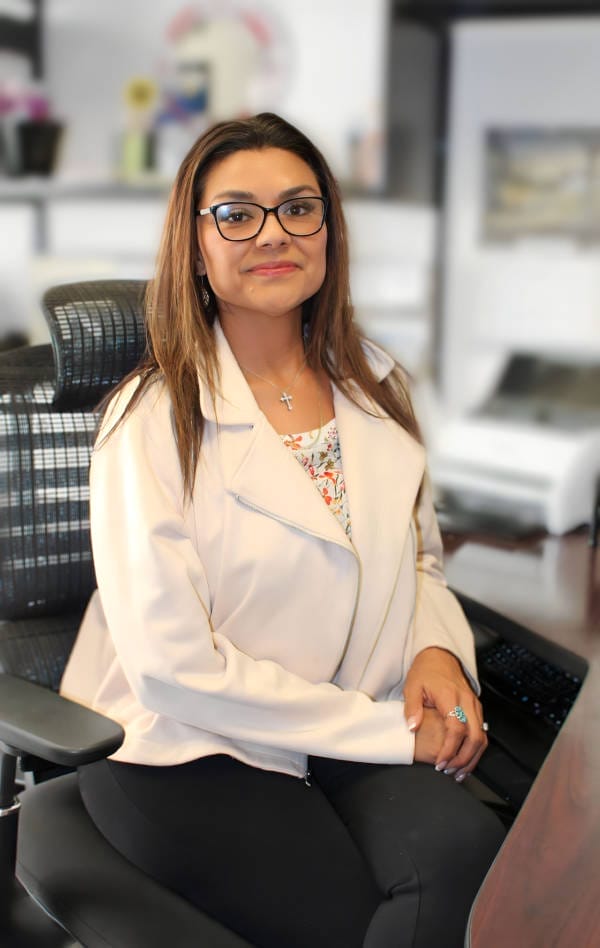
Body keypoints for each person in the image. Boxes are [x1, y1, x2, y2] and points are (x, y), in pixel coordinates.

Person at [60, 112, 504, 948]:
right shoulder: (150, 420)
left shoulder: (375, 383)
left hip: (341, 721)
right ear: (194, 243)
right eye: (236, 213)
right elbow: (170, 669)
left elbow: (418, 562)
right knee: (343, 919)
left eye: (299, 208)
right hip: (190, 744)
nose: (274, 234)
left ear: (328, 229)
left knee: (468, 857)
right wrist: (389, 732)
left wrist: (435, 651)